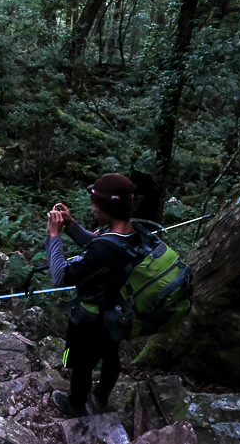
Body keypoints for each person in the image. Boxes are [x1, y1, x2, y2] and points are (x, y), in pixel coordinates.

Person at [45, 173, 140, 418]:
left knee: (80, 364)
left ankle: (75, 404)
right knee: (111, 355)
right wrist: (72, 225)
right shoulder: (133, 232)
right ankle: (101, 397)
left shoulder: (103, 249)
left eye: (96, 204)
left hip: (90, 320)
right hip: (116, 314)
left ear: (108, 207)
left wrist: (55, 234)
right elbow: (103, 246)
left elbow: (61, 275)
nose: (93, 207)